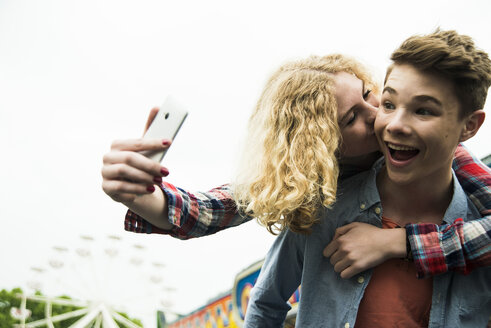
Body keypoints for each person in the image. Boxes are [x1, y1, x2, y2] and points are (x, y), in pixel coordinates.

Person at [101, 45, 491, 279]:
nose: (378, 116)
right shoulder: (310, 178)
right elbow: (216, 207)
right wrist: (142, 196)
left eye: (371, 95)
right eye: (351, 118)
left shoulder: (432, 152)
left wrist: (398, 242)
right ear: (318, 146)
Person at [244, 29, 491, 327]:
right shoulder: (321, 210)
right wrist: (170, 203)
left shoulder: (479, 227)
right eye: (388, 103)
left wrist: (399, 242)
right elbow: (265, 304)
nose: (391, 124)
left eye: (423, 111)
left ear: (470, 126)